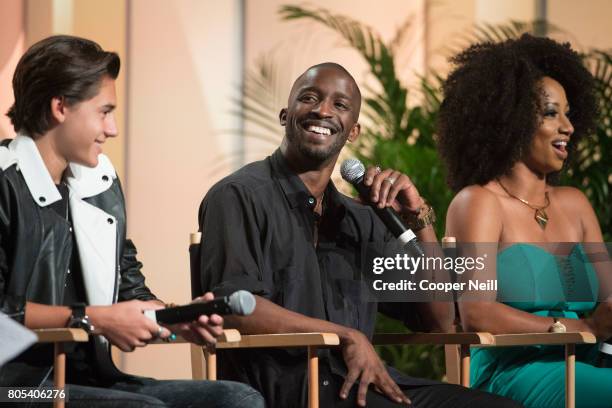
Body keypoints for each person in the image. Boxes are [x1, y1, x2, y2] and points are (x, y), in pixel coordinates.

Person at [198, 62, 522, 407]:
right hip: (284, 389)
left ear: (353, 131)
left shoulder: (362, 219)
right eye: (309, 98)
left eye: (340, 105)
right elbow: (232, 307)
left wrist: (420, 218)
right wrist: (345, 336)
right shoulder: (238, 195)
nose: (323, 110)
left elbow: (439, 318)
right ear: (285, 115)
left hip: (364, 386)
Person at [0, 35, 264, 408]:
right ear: (60, 107)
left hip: (90, 379)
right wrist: (95, 319)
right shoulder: (5, 182)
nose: (112, 129)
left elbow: (129, 293)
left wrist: (175, 320)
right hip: (16, 387)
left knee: (236, 399)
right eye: (104, 112)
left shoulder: (99, 186)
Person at [437, 34, 612, 407]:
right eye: (551, 113)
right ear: (511, 120)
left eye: (568, 113)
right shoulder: (479, 203)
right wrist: (580, 329)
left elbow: (609, 297)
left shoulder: (576, 204)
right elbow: (477, 312)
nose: (568, 126)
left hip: (589, 359)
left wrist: (599, 326)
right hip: (514, 368)